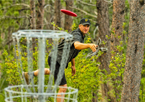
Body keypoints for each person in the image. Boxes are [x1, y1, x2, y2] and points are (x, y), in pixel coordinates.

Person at [23, 18, 98, 102]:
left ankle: (29, 75)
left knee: (51, 71)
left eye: (88, 26)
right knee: (63, 87)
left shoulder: (81, 36)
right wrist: (89, 45)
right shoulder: (77, 34)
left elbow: (73, 51)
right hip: (56, 59)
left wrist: (73, 65)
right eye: (84, 26)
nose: (86, 28)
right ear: (79, 26)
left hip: (55, 58)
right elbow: (76, 45)